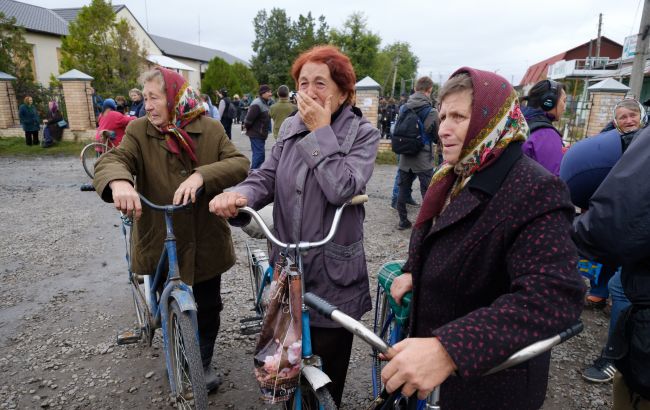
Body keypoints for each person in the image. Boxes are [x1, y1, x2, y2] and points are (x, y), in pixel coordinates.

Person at [385, 68, 584, 409]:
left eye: (459, 117)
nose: (442, 129)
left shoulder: (535, 189)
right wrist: (413, 269)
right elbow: (440, 237)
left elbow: (554, 295)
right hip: (434, 382)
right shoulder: (455, 173)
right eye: (443, 115)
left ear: (492, 121)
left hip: (487, 386)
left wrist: (450, 348)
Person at [209, 45, 380, 407]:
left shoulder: (361, 134)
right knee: (284, 370)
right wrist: (239, 195)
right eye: (303, 83)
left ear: (344, 92)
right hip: (289, 267)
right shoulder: (289, 127)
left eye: (321, 83)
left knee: (329, 381)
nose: (310, 92)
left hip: (336, 275)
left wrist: (320, 133)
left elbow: (343, 187)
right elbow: (266, 177)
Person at [92, 67, 249, 392]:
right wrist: (119, 181)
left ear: (175, 98)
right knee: (166, 301)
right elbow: (113, 159)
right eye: (144, 98)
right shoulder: (137, 130)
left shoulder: (209, 127)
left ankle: (201, 360)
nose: (147, 106)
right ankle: (177, 349)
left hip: (205, 237)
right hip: (161, 236)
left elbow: (239, 163)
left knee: (209, 306)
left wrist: (201, 175)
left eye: (154, 98)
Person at [561, 98, 646, 385]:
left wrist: (574, 231)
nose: (628, 119)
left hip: (629, 229)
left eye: (632, 114)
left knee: (621, 286)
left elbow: (625, 208)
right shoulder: (620, 143)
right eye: (622, 116)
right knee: (615, 278)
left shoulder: (640, 148)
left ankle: (615, 356)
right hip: (618, 224)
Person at [395, 76, 439, 230]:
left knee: (403, 188)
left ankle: (403, 221)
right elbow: (434, 135)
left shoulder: (403, 107)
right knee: (426, 190)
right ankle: (425, 223)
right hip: (422, 156)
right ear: (429, 90)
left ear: (415, 89)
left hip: (405, 155)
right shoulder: (431, 111)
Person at [520, 79, 567, 176]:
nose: (565, 107)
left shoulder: (520, 121)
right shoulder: (546, 135)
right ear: (549, 101)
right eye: (564, 101)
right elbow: (552, 180)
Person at [243, 85, 273, 169]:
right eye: (269, 92)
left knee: (260, 156)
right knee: (258, 156)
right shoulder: (257, 104)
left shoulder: (264, 102)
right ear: (262, 93)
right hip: (256, 134)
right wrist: (252, 130)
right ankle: (253, 176)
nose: (271, 94)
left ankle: (257, 175)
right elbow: (248, 120)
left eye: (270, 92)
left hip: (260, 134)